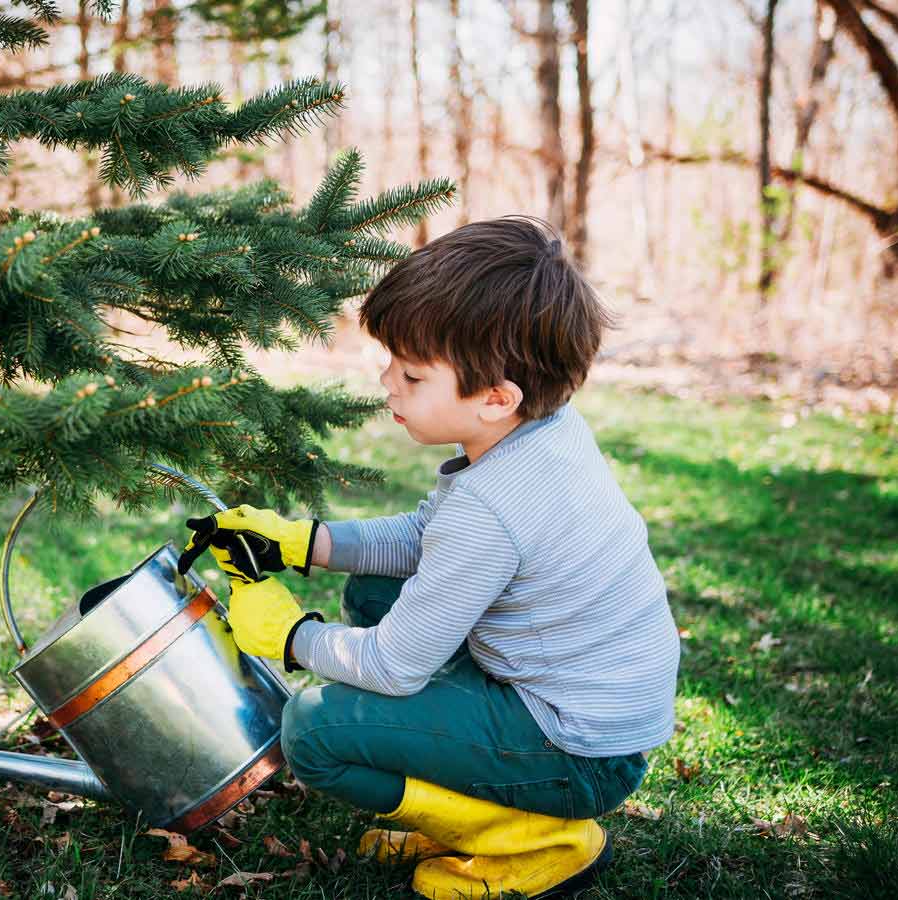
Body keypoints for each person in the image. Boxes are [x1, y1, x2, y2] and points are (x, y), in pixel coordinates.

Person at [182, 216, 680, 899]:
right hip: (581, 713)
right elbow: (424, 540)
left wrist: (290, 638)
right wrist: (304, 542)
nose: (387, 381)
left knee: (316, 731)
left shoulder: (494, 505)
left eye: (413, 374)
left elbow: (392, 664)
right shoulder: (540, 430)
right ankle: (472, 797)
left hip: (578, 754)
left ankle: (531, 839)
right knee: (375, 592)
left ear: (496, 397)